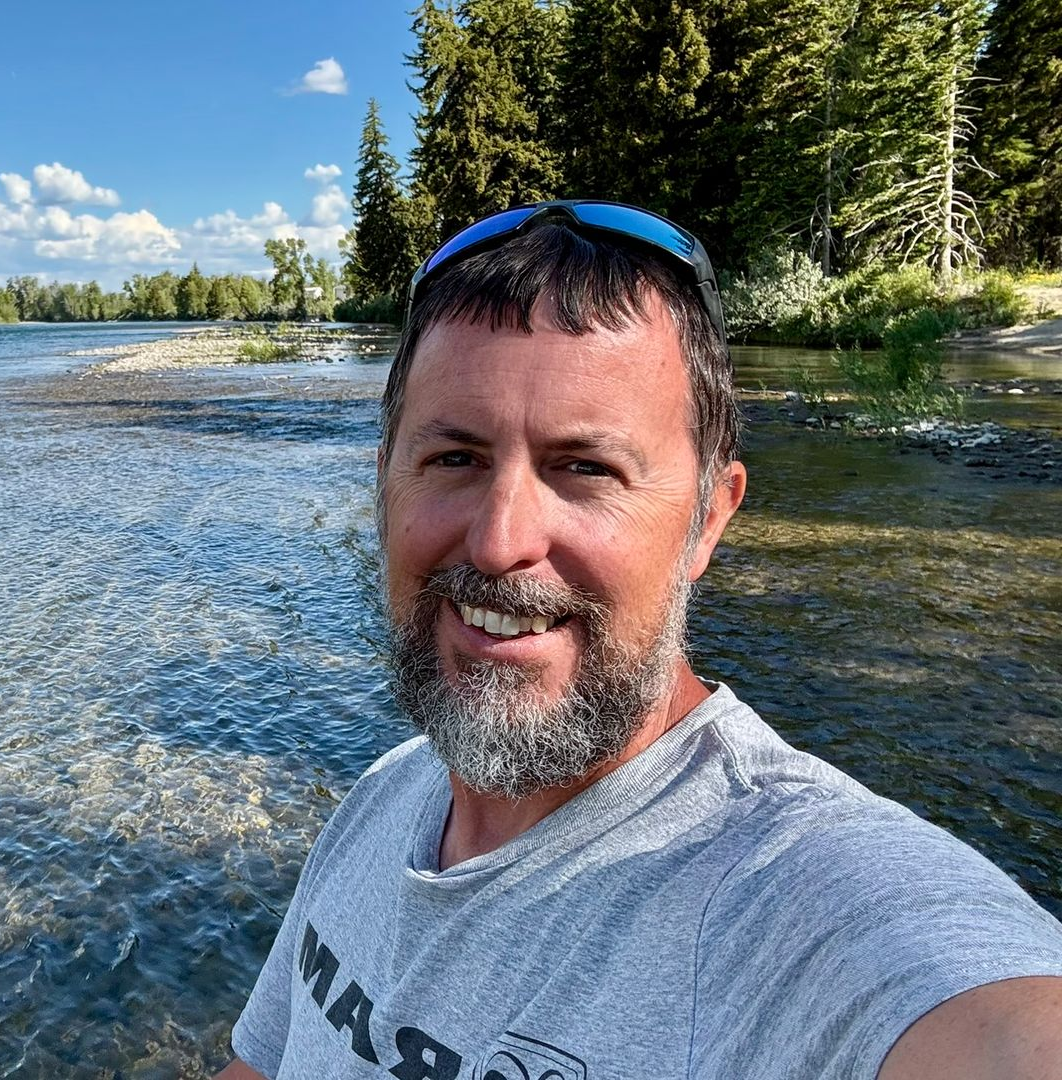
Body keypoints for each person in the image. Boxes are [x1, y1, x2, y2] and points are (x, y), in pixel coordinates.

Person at [217, 201, 1062, 1080]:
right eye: (455, 459)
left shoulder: (794, 899)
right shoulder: (383, 799)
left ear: (707, 520)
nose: (502, 540)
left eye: (585, 468)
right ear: (385, 481)